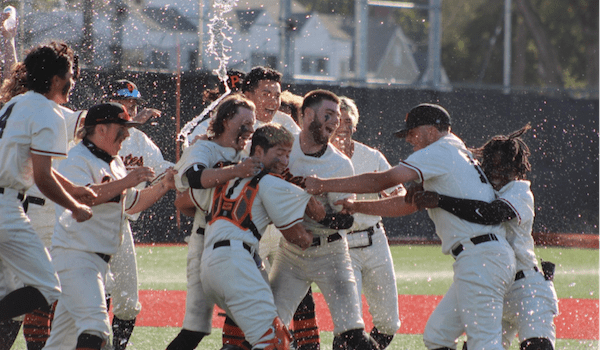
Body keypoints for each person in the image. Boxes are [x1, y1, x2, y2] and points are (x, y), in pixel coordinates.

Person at [305, 103, 516, 350]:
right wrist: (358, 206)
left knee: (484, 344)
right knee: (437, 336)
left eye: (412, 132)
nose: (409, 140)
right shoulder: (453, 150)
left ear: (431, 130)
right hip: (480, 256)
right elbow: (408, 204)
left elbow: (383, 180)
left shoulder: (439, 151)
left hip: (481, 257)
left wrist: (323, 185)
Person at [410, 124, 558, 350]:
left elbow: (490, 214)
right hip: (491, 281)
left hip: (525, 286)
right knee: (455, 340)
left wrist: (440, 200)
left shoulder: (519, 190)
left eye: (504, 167)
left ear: (517, 168)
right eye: (491, 166)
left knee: (537, 347)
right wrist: (421, 182)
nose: (497, 172)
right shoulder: (480, 188)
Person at [43, 102, 176, 350]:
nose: (127, 134)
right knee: (96, 330)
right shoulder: (77, 158)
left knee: (60, 343)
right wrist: (126, 181)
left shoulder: (113, 162)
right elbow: (82, 197)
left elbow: (133, 203)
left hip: (95, 260)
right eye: (122, 128)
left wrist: (164, 186)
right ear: (101, 129)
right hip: (77, 257)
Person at [269, 90, 380, 350]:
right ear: (307, 115)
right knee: (268, 329)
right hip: (291, 253)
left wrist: (323, 216)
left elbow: (346, 222)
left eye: (338, 117)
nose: (334, 123)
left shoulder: (340, 164)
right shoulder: (285, 149)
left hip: (331, 253)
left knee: (352, 333)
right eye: (328, 115)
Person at [0, 42, 95, 340]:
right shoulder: (49, 112)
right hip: (7, 208)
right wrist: (75, 207)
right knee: (48, 287)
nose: (72, 82)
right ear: (55, 79)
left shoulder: (15, 103)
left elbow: (39, 167)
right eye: (69, 75)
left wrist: (74, 189)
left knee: (7, 293)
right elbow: (42, 178)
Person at [199, 124, 314, 350]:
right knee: (274, 343)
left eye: (288, 154)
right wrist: (315, 227)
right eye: (279, 153)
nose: (284, 161)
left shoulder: (226, 173)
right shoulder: (270, 181)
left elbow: (183, 203)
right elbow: (299, 238)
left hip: (213, 264)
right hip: (236, 262)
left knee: (257, 340)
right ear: (258, 151)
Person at [166, 95, 263, 350]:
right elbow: (194, 178)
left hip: (242, 240)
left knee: (256, 315)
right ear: (226, 119)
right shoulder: (204, 148)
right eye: (245, 122)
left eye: (252, 123)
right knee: (195, 328)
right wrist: (236, 170)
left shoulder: (248, 152)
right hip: (205, 237)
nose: (250, 128)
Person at [105, 79, 174, 350]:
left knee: (128, 301)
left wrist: (193, 164)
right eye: (124, 102)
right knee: (97, 293)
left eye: (133, 104)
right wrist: (131, 123)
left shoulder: (141, 140)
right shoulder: (94, 128)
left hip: (122, 223)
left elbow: (164, 168)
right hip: (90, 221)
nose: (130, 109)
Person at [330, 96, 401, 350]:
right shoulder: (322, 159)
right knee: (350, 322)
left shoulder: (371, 157)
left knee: (389, 322)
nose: (343, 127)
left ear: (355, 124)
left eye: (348, 121)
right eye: (337, 121)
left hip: (374, 239)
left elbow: (398, 196)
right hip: (340, 244)